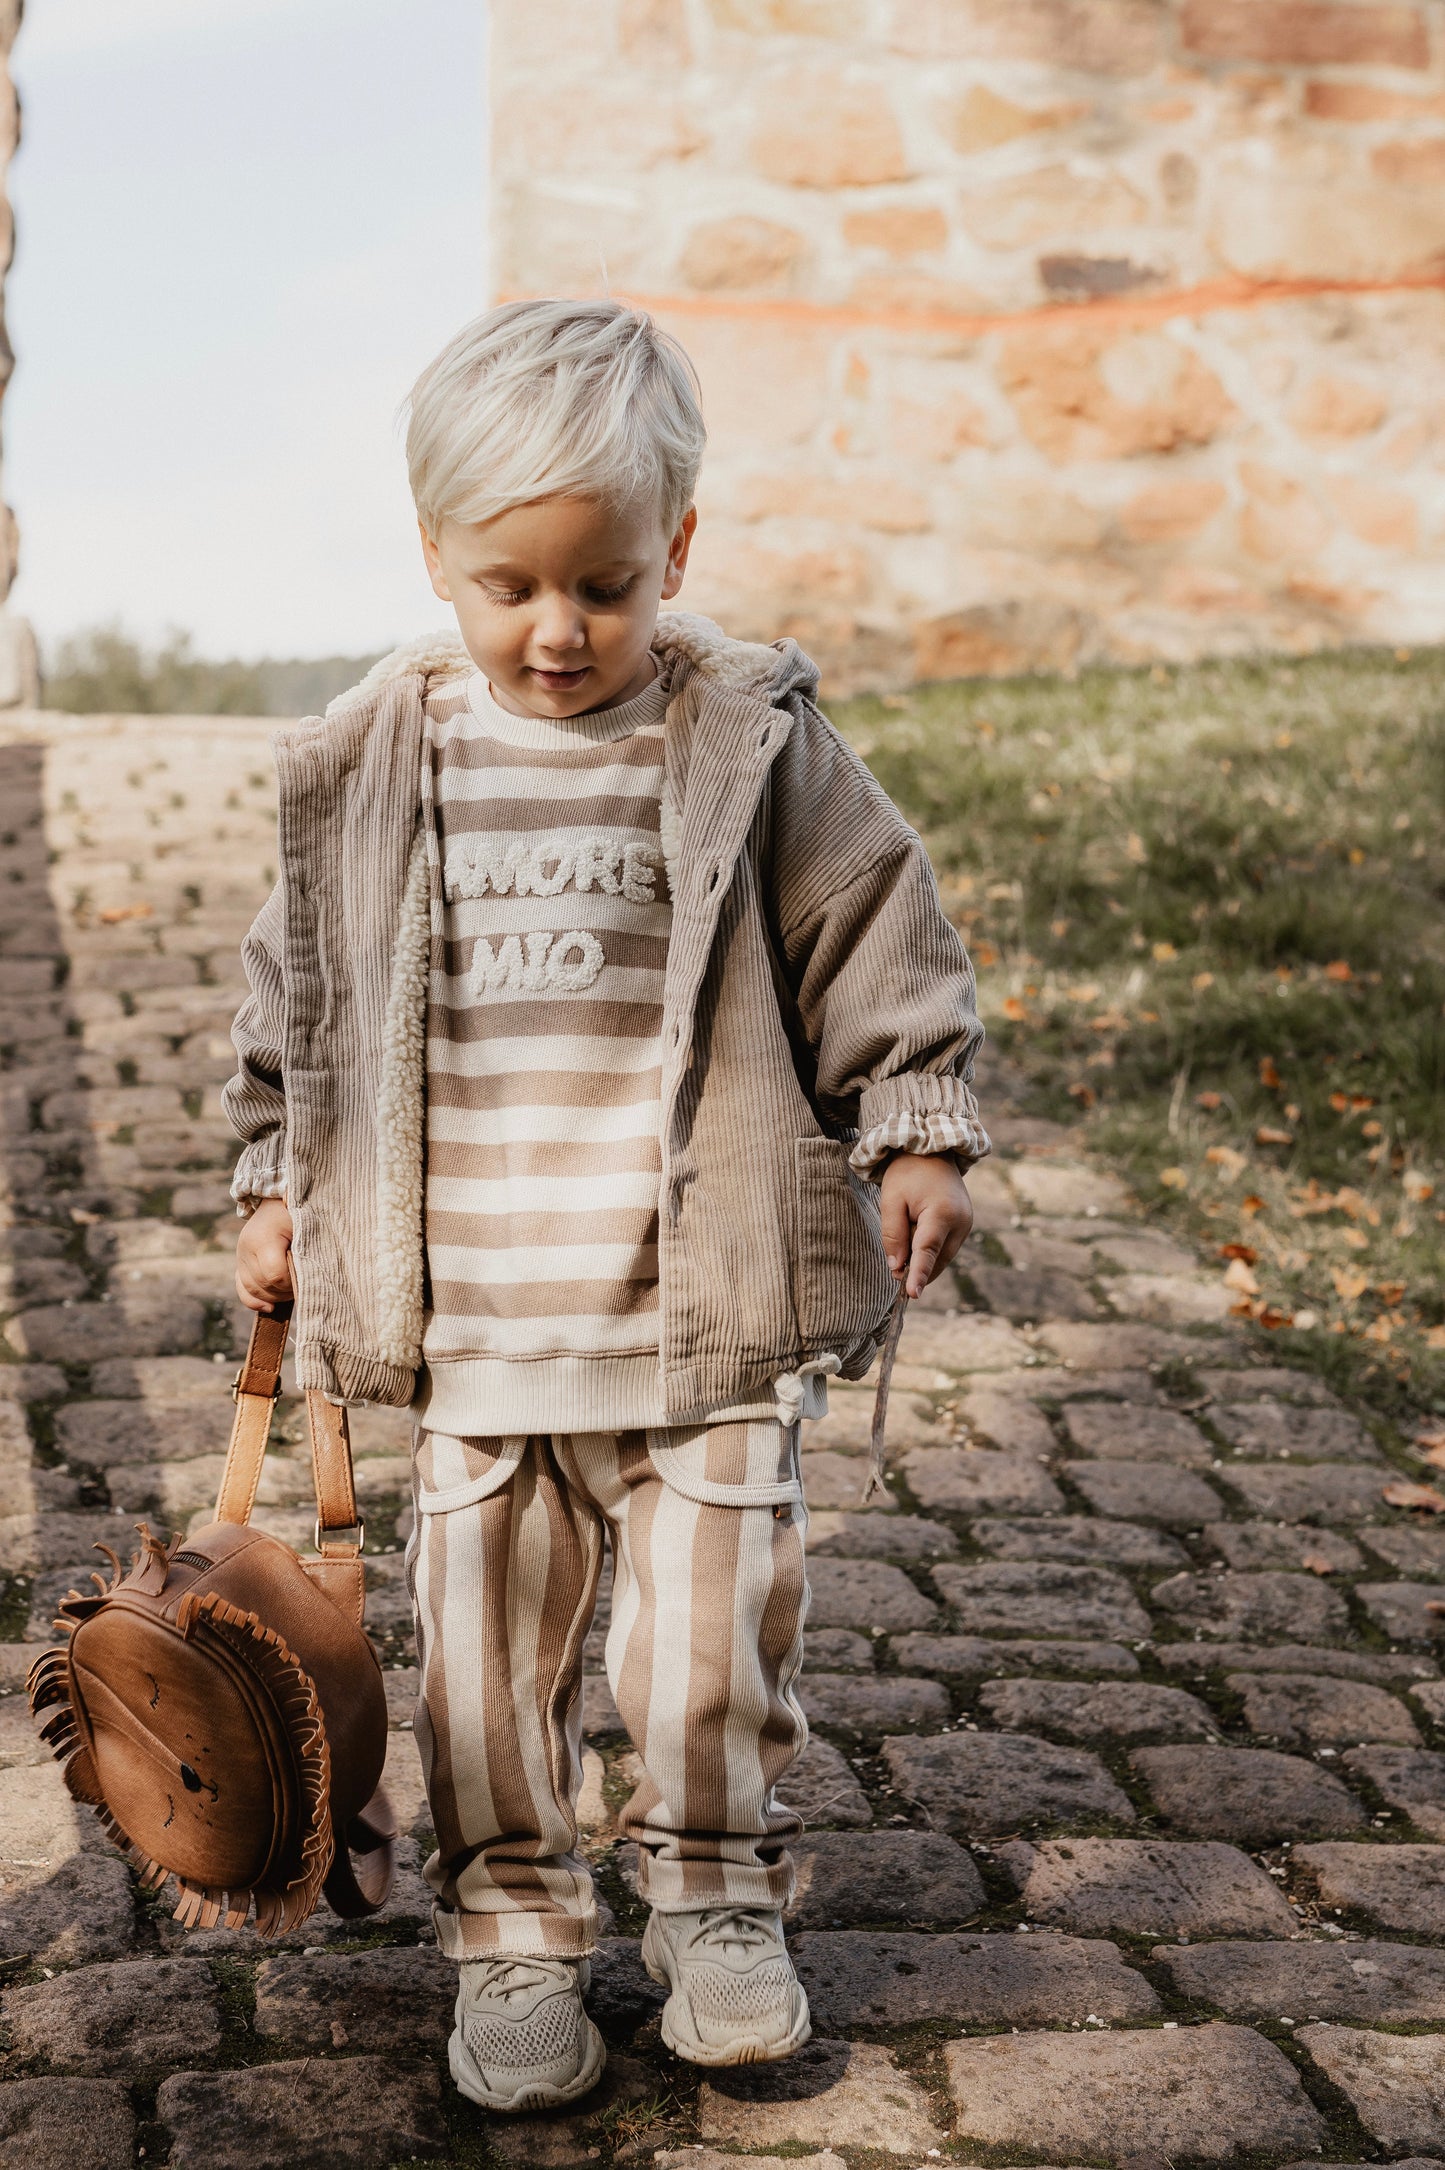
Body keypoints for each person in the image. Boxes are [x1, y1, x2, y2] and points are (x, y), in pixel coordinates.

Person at [226, 297, 987, 2114]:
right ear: (435, 559)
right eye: (509, 588)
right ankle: (509, 1929)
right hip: (479, 1322)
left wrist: (915, 1127)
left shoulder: (746, 738)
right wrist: (272, 1179)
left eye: (606, 586)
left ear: (679, 553)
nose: (557, 631)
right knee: (485, 1663)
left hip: (695, 1308)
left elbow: (870, 930)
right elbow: (297, 995)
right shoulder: (379, 763)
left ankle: (714, 1894)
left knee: (712, 1636)